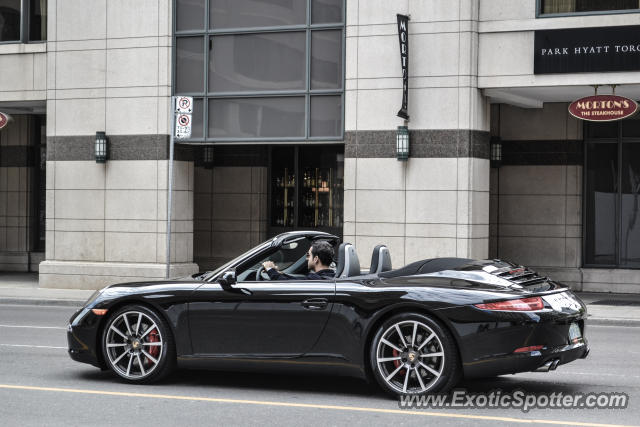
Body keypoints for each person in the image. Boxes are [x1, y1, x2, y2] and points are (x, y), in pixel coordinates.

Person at [262, 240, 335, 280]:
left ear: (316, 259)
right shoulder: (332, 276)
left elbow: (286, 284)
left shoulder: (315, 279)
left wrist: (270, 269)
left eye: (308, 255)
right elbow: (294, 279)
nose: (307, 258)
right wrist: (279, 273)